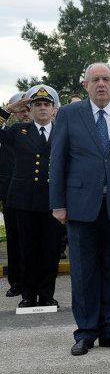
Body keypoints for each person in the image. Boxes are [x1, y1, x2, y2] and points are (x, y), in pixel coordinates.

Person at [49, 62, 110, 356]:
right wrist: (58, 204)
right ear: (86, 85)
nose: (101, 84)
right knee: (82, 272)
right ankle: (85, 332)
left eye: (106, 79)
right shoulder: (68, 114)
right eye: (95, 80)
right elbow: (58, 161)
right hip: (80, 208)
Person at [0, 86, 63, 307]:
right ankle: (28, 296)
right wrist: (7, 110)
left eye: (47, 104)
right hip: (24, 201)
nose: (43, 108)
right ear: (31, 109)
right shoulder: (19, 131)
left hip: (53, 202)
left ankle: (47, 295)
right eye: (37, 105)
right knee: (27, 249)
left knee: (50, 250)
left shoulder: (62, 132)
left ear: (54, 110)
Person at [1, 92, 27, 298]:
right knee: (15, 241)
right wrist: (8, 109)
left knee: (40, 242)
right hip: (10, 195)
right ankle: (17, 282)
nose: (25, 113)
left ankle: (39, 285)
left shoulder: (42, 131)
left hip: (38, 195)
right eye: (21, 109)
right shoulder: (7, 133)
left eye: (28, 108)